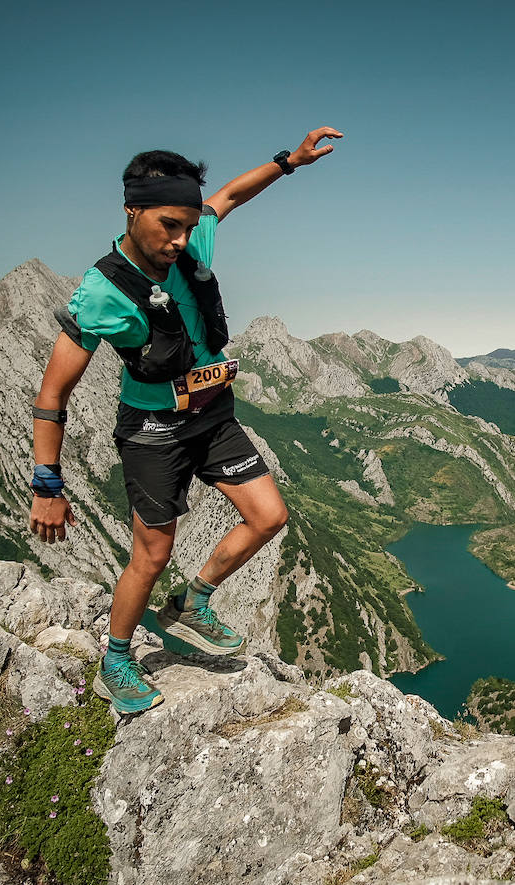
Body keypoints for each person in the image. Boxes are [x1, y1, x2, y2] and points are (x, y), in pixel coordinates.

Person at [28, 127, 343, 714]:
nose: (179, 239)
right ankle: (116, 659)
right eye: (168, 225)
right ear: (133, 210)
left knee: (269, 515)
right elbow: (53, 392)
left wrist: (288, 162)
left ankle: (192, 602)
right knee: (152, 551)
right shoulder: (103, 291)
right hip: (154, 429)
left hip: (213, 415)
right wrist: (48, 483)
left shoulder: (193, 240)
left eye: (187, 226)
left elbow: (228, 196)